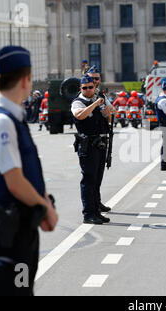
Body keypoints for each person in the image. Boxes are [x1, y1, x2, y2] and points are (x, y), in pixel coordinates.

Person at [0, 45, 58, 296]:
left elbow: (27, 169)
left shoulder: (8, 118)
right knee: (15, 292)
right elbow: (15, 182)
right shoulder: (1, 122)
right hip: (11, 230)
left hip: (20, 226)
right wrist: (46, 207)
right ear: (26, 80)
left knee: (22, 290)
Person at [71, 75, 112, 225]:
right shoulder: (78, 102)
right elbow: (80, 115)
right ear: (80, 89)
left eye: (90, 87)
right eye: (85, 88)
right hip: (88, 145)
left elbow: (109, 117)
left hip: (100, 142)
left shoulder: (98, 100)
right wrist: (94, 104)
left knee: (97, 179)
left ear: (95, 87)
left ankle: (96, 211)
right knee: (88, 179)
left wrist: (107, 113)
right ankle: (88, 214)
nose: (88, 90)